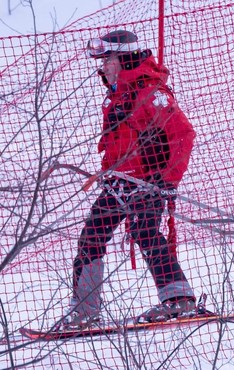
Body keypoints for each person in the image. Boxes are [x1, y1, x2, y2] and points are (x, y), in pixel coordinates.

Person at [61, 30, 197, 328]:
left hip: (148, 182)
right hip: (118, 183)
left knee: (144, 230)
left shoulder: (150, 92)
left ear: (124, 58)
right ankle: (84, 312)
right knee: (91, 238)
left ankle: (179, 300)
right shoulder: (118, 95)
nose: (103, 67)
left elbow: (183, 135)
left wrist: (166, 181)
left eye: (107, 60)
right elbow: (122, 143)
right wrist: (107, 171)